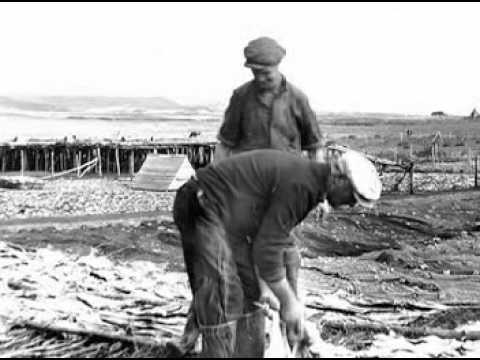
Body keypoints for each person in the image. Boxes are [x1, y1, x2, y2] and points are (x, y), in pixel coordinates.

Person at [172, 149, 382, 357]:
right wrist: (288, 302)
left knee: (250, 293)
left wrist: (279, 298)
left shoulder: (309, 183)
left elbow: (275, 242)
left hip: (225, 215)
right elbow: (267, 249)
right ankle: (206, 345)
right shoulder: (302, 185)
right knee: (223, 293)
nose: (353, 204)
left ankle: (230, 347)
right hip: (202, 205)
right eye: (353, 196)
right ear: (339, 178)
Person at [215, 36, 325, 162]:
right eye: (255, 72)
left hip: (287, 176)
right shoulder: (240, 97)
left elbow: (315, 148)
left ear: (277, 66)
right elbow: (225, 145)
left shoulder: (298, 98)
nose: (260, 78)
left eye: (266, 73)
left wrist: (318, 178)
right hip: (248, 177)